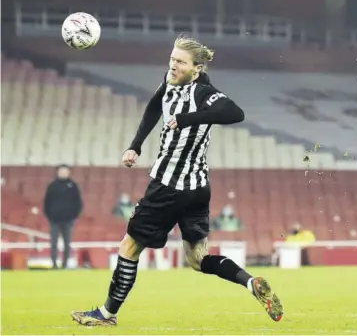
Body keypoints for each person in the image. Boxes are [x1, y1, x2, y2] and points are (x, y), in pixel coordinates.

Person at [71, 33, 283, 326]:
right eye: (172, 59)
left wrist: (188, 119)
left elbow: (236, 113)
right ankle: (250, 282)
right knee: (197, 259)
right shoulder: (171, 81)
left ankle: (107, 314)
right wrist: (136, 144)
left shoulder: (201, 92)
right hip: (198, 189)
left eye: (180, 63)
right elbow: (154, 106)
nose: (173, 66)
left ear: (197, 68)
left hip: (169, 186)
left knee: (129, 247)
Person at [43, 164, 83, 269]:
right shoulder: (52, 186)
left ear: (69, 172)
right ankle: (54, 264)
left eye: (65, 171)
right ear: (57, 172)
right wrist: (49, 215)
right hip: (54, 220)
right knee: (53, 243)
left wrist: (74, 215)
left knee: (67, 243)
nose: (63, 173)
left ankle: (65, 264)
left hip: (68, 220)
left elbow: (78, 202)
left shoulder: (73, 186)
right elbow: (46, 202)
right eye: (61, 171)